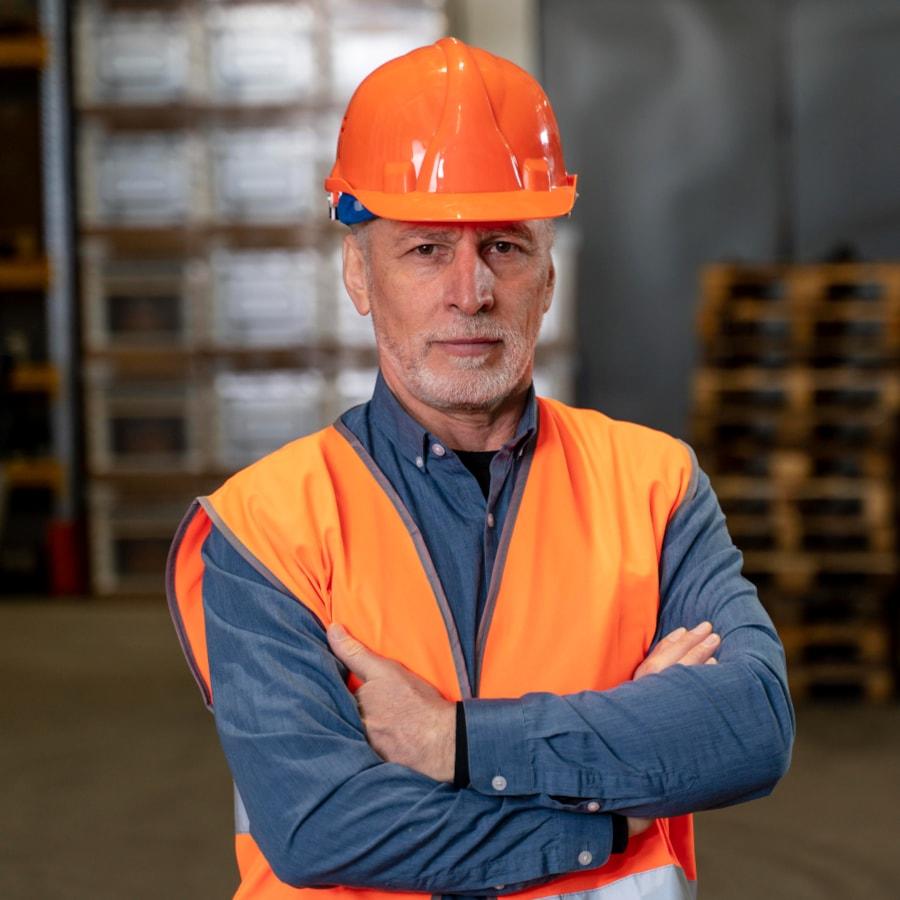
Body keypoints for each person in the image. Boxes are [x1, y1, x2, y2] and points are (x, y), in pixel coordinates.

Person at [167, 37, 794, 900]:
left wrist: (454, 741)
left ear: (546, 277)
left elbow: (752, 726)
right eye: (425, 249)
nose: (471, 291)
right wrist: (609, 815)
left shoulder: (653, 484)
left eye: (504, 245)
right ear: (359, 272)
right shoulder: (267, 526)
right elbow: (319, 826)